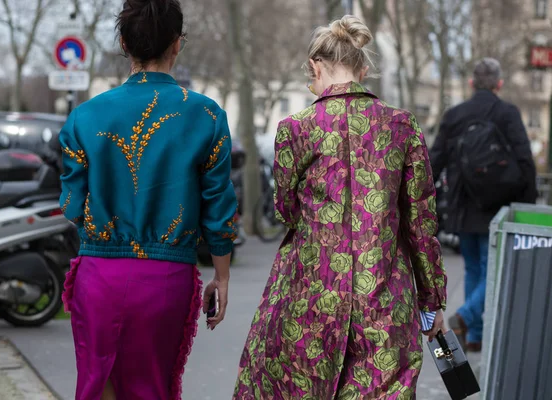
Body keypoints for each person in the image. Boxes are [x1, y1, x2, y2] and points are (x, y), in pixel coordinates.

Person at [234, 15, 447, 399]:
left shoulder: (296, 128)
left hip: (311, 292)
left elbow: (284, 209)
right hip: (384, 295)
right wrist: (432, 299)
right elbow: (422, 221)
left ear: (316, 65)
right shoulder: (401, 125)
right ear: (362, 69)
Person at [58, 0, 237, 398]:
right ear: (178, 45)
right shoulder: (206, 115)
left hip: (99, 276)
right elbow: (219, 211)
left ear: (123, 43)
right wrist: (221, 277)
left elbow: (71, 206)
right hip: (166, 279)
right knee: (151, 388)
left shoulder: (85, 116)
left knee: (98, 386)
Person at [430, 58, 537, 352]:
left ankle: (474, 335)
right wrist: (526, 208)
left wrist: (430, 205)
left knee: (474, 271)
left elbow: (433, 162)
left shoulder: (454, 116)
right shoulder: (508, 113)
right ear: (499, 84)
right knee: (494, 272)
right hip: (498, 209)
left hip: (464, 208)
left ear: (471, 83)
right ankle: (466, 320)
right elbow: (526, 162)